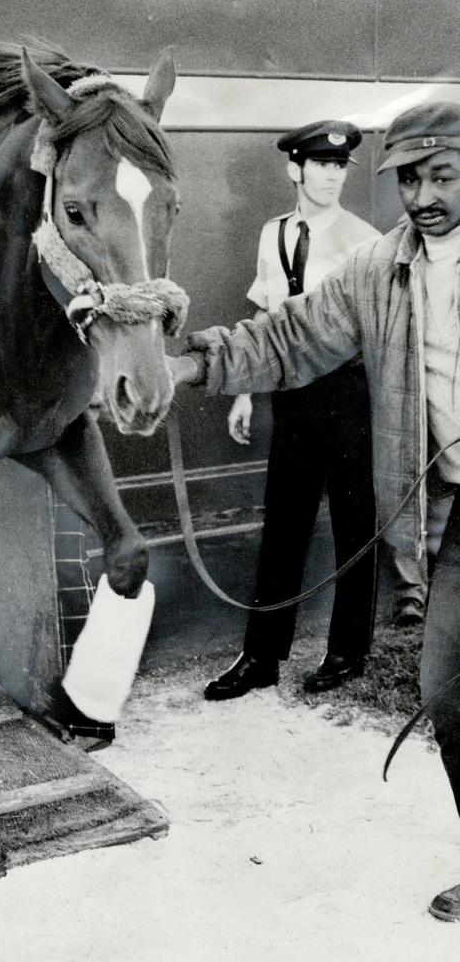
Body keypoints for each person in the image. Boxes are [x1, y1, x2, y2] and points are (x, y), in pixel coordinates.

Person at [172, 101, 460, 922]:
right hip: (452, 509)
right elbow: (288, 337)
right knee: (446, 690)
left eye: (442, 174)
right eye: (408, 177)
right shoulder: (382, 267)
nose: (421, 194)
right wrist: (185, 363)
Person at [204, 120, 379, 702]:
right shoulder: (272, 232)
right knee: (283, 525)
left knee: (356, 525)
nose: (331, 176)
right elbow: (267, 320)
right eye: (321, 164)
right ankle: (260, 657)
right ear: (294, 170)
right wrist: (245, 392)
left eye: (339, 166)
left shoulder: (364, 241)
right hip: (292, 401)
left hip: (349, 398)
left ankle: (347, 653)